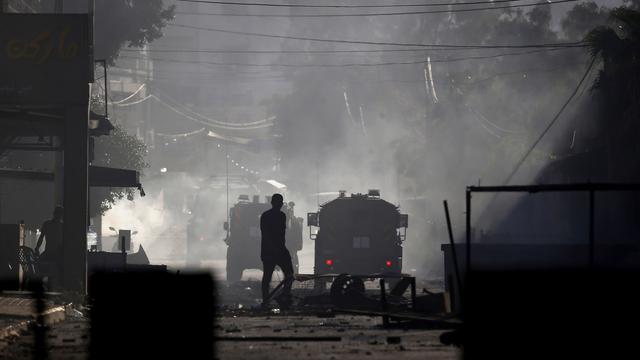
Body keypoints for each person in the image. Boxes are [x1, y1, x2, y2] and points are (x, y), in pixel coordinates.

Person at [260, 193, 294, 307]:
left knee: (268, 277)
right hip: (276, 250)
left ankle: (267, 300)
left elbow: (267, 234)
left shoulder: (266, 215)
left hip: (269, 251)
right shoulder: (281, 216)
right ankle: (284, 296)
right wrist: (278, 249)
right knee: (289, 274)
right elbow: (275, 234)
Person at [35, 206, 64, 285]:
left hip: (48, 253)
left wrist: (37, 248)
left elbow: (41, 238)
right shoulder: (63, 226)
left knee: (38, 265)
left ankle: (41, 283)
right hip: (58, 254)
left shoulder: (47, 224)